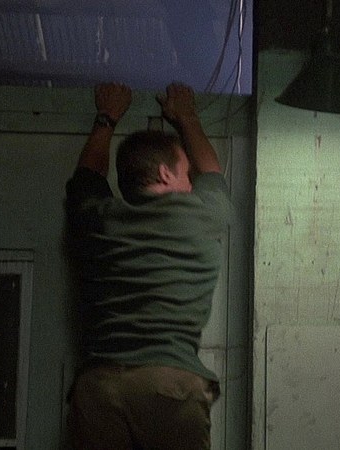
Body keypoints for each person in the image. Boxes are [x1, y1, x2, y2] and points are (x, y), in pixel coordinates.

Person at [64, 82, 231, 450]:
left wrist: (107, 117)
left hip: (100, 386)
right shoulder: (201, 216)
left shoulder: (101, 218)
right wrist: (186, 117)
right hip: (171, 383)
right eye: (185, 174)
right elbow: (213, 174)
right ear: (166, 173)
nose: (192, 184)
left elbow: (86, 179)